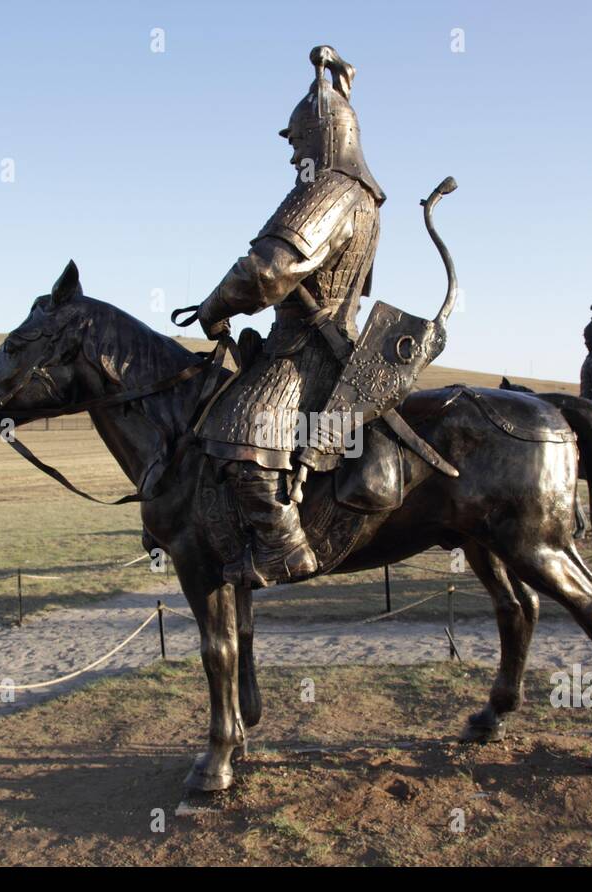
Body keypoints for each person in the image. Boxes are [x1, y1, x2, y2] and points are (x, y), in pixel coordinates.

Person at [189, 46, 385, 588]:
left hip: (310, 353)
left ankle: (284, 549)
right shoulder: (363, 196)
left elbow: (267, 271)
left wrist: (213, 306)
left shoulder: (326, 191)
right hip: (317, 341)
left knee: (243, 429)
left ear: (322, 137)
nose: (291, 153)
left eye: (297, 141)